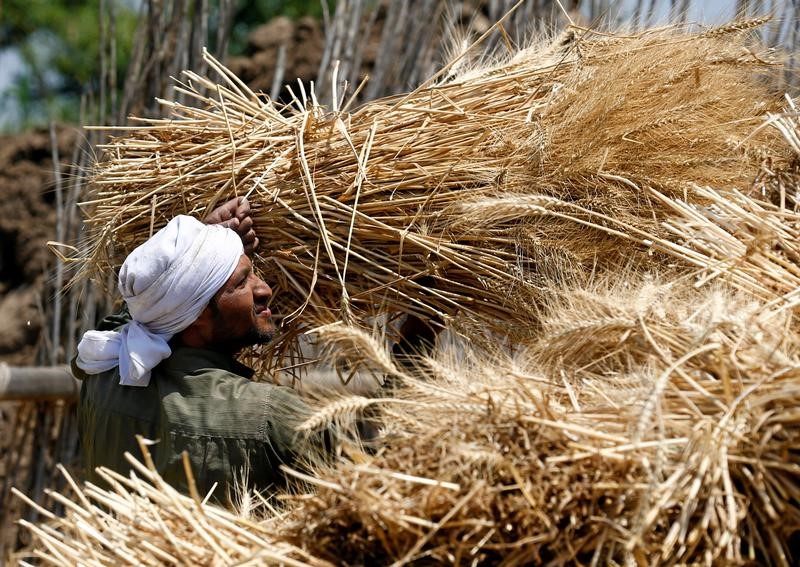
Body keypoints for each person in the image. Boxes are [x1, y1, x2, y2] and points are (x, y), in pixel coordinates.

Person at [74, 197, 325, 503]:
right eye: (242, 282)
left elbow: (137, 316)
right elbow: (379, 477)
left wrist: (198, 246)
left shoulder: (103, 371)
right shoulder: (270, 417)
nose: (264, 290)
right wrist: (402, 351)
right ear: (196, 315)